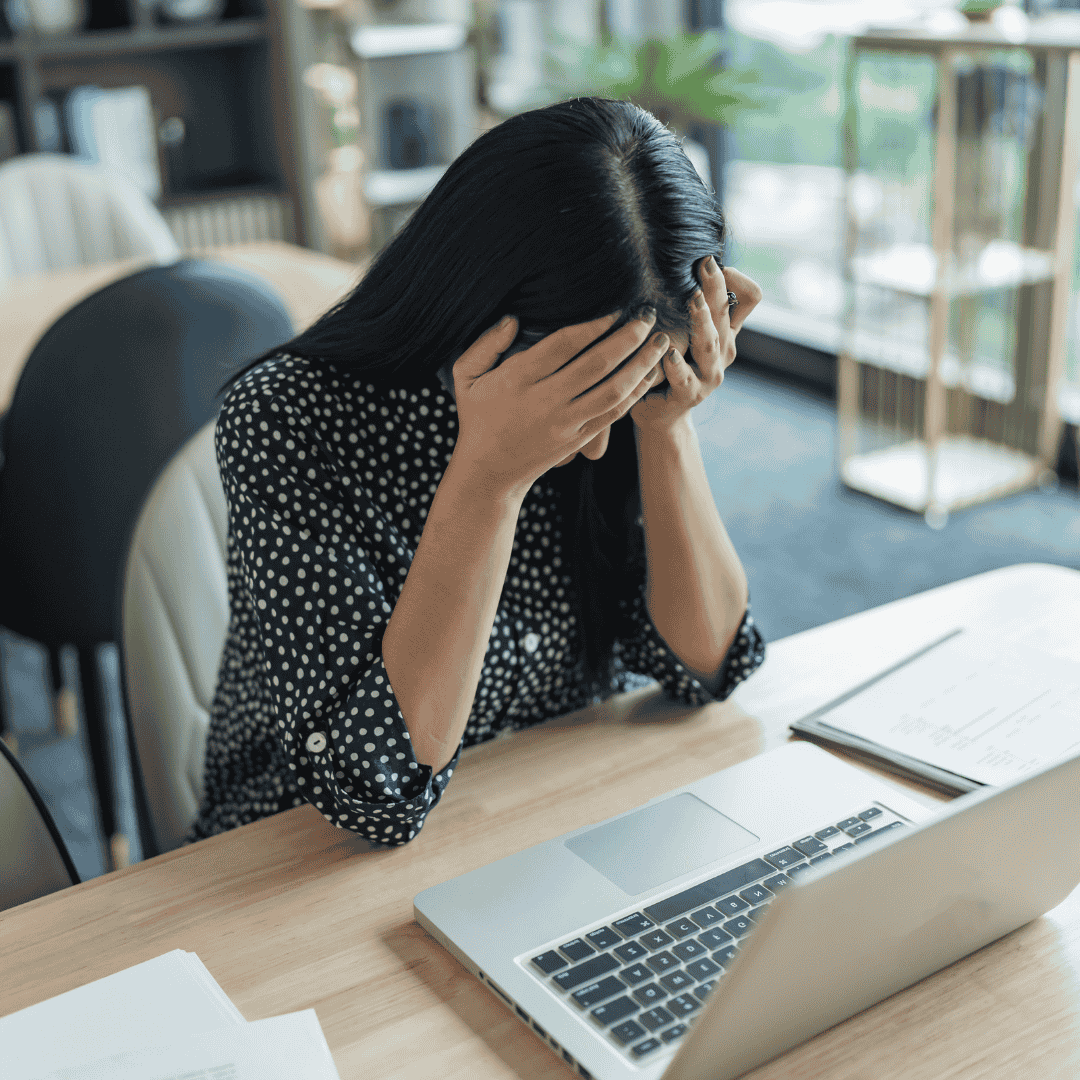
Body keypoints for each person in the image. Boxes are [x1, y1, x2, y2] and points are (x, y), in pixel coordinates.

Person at [183, 96, 766, 850]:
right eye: (593, 379)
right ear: (475, 303)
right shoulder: (291, 419)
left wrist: (664, 423)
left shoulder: (627, 377)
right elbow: (376, 794)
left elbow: (706, 667)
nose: (603, 417)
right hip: (300, 853)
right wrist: (490, 478)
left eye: (640, 370)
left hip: (539, 809)